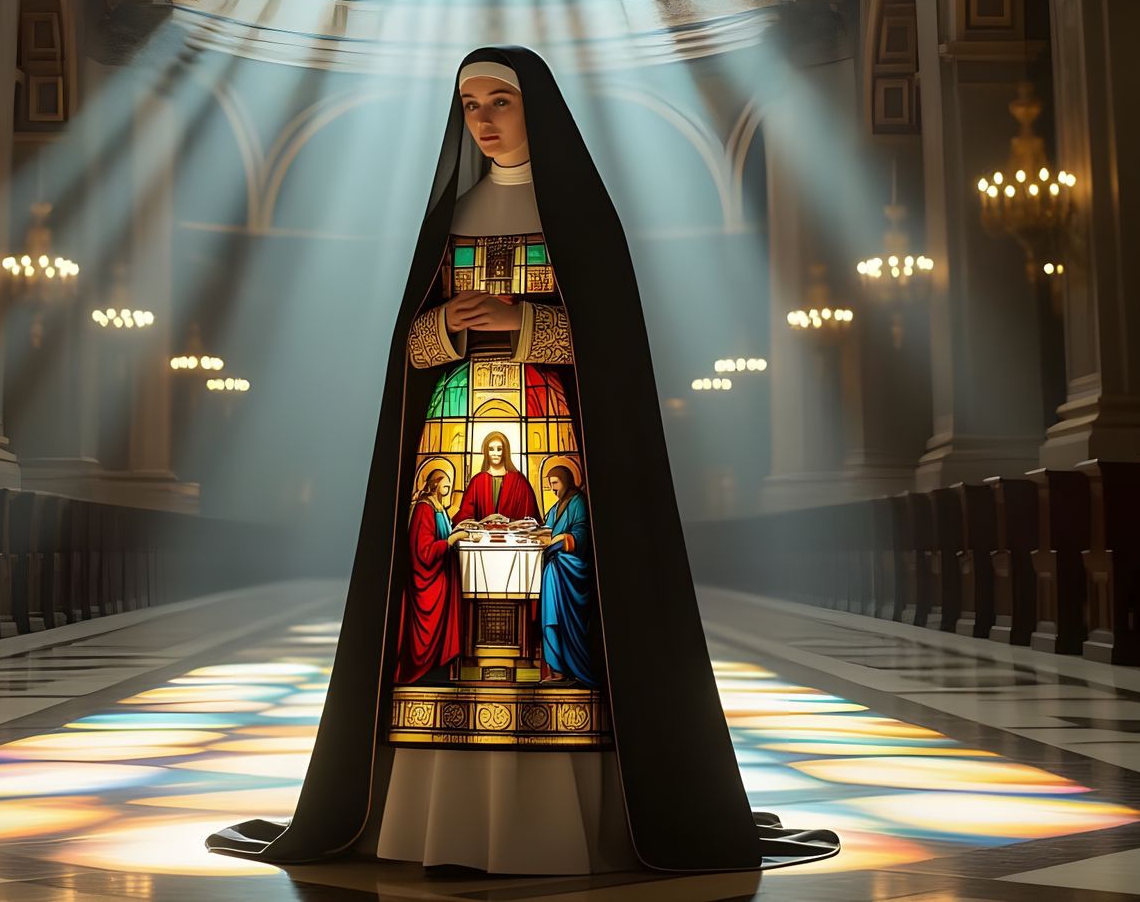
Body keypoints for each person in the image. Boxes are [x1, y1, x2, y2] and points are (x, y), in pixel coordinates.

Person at [207, 46, 837, 875]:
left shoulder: (582, 217)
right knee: (446, 636)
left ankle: (574, 821)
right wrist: (452, 332)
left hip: (561, 443)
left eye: (498, 99)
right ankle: (433, 820)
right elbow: (412, 348)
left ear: (536, 106)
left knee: (559, 644)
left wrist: (522, 318)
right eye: (468, 103)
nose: (482, 118)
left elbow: (613, 351)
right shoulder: (452, 215)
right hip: (450, 442)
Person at [395, 467, 462, 684]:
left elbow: (444, 533)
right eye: (446, 482)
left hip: (441, 574)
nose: (449, 486)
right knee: (427, 631)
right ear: (435, 483)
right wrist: (451, 541)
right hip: (428, 579)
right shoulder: (424, 508)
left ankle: (439, 668)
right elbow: (423, 552)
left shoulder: (438, 507)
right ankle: (426, 672)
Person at [538, 464, 596, 685]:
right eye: (550, 484)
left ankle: (571, 669)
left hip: (569, 569)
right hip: (554, 569)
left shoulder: (578, 502)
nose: (552, 488)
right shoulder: (557, 506)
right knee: (551, 618)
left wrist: (561, 539)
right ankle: (557, 671)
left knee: (565, 620)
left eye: (555, 483)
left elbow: (582, 533)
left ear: (565, 480)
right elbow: (547, 528)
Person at [452, 431, 538, 523]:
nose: (495, 453)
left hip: (513, 536)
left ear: (505, 451)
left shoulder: (519, 481)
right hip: (481, 536)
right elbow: (465, 516)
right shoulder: (477, 481)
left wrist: (508, 521)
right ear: (486, 451)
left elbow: (529, 517)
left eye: (499, 449)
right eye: (491, 449)